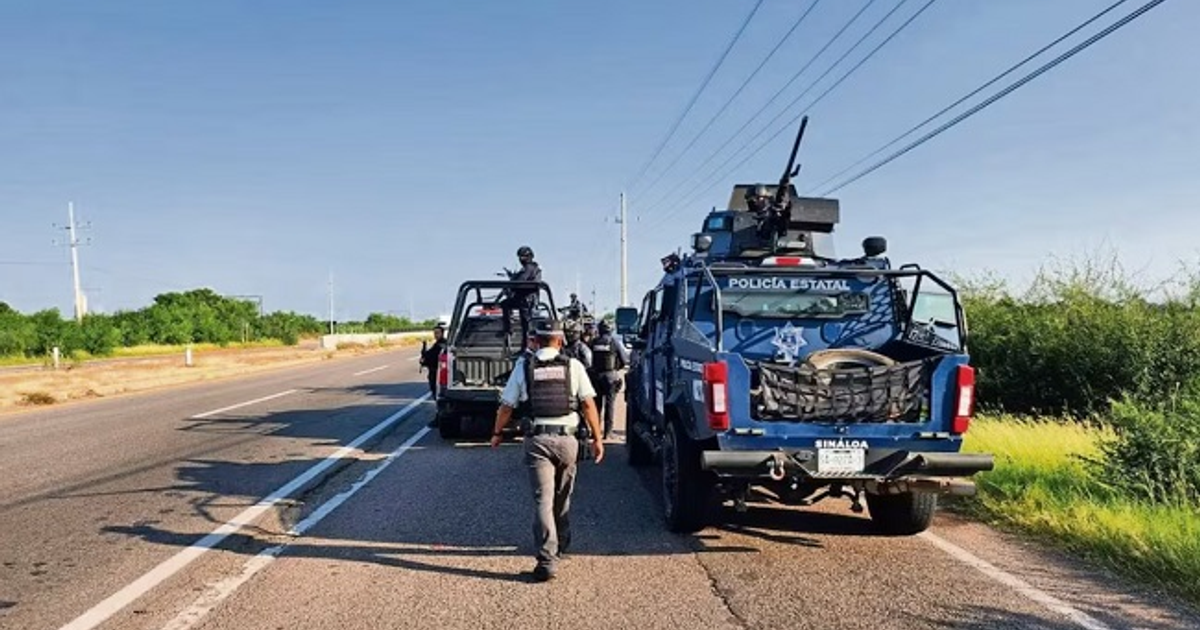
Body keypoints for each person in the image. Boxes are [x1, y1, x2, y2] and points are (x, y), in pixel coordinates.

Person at [491, 319, 604, 583]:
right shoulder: (573, 366)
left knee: (543, 500)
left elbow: (507, 406)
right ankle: (561, 543)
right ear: (560, 341)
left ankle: (546, 560)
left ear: (535, 341)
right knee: (563, 497)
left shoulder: (524, 366)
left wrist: (497, 433)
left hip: (538, 441)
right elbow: (588, 405)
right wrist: (598, 438)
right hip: (568, 442)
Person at [588, 320, 631, 440]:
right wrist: (615, 369)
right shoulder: (614, 342)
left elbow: (587, 359)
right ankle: (608, 432)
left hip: (596, 377)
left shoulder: (593, 342)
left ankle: (594, 432)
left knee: (597, 405)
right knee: (610, 405)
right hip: (610, 377)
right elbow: (624, 359)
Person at [501, 246, 542, 342]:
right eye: (520, 257)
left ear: (530, 256)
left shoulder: (530, 267)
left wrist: (512, 283)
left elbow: (520, 281)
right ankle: (508, 329)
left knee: (526, 325)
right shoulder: (530, 268)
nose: (521, 259)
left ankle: (511, 331)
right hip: (523, 299)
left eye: (523, 257)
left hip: (526, 299)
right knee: (505, 304)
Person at [419, 323, 448, 399]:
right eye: (435, 333)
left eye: (437, 333)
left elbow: (430, 356)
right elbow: (427, 354)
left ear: (442, 333)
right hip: (434, 371)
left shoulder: (441, 344)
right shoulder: (438, 344)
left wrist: (424, 359)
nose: (436, 335)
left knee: (437, 391)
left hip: (437, 371)